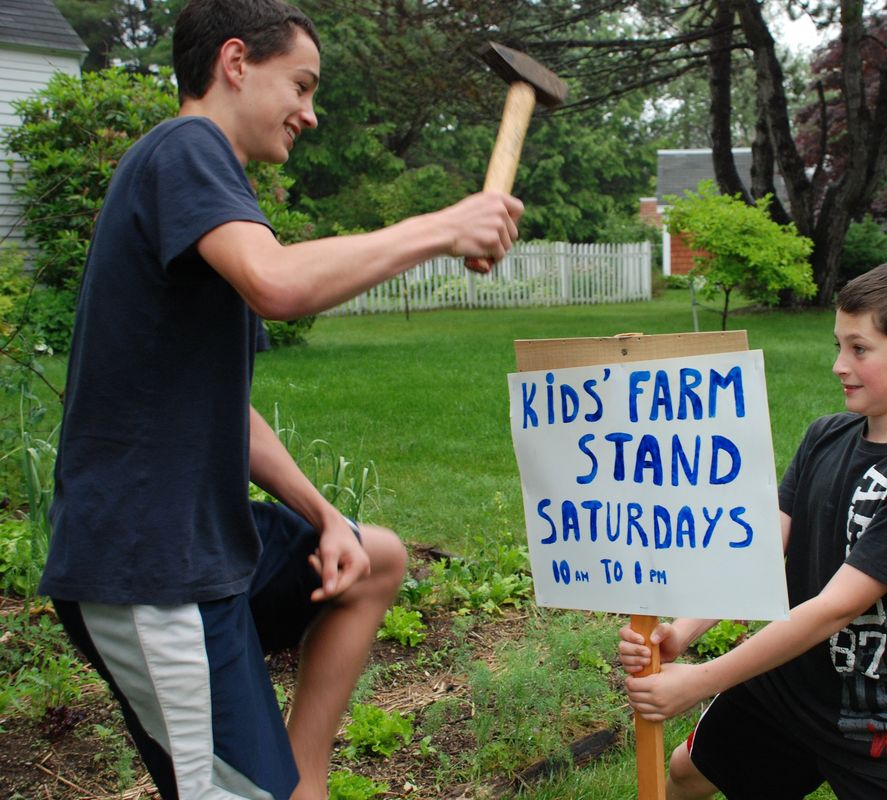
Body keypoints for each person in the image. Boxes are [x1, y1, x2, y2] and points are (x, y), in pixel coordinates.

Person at [37, 1, 523, 798]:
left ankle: (303, 779)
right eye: (300, 84)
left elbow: (223, 409)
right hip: (151, 570)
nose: (310, 111)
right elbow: (280, 284)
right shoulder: (189, 146)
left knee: (374, 559)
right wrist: (443, 227)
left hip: (202, 546)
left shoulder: (205, 192)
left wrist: (327, 515)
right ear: (236, 63)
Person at [618, 259, 887, 800]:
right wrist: (682, 632)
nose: (839, 364)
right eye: (839, 345)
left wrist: (700, 680)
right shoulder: (826, 436)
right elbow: (761, 548)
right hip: (787, 681)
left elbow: (834, 608)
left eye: (859, 349)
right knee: (687, 771)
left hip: (882, 713)